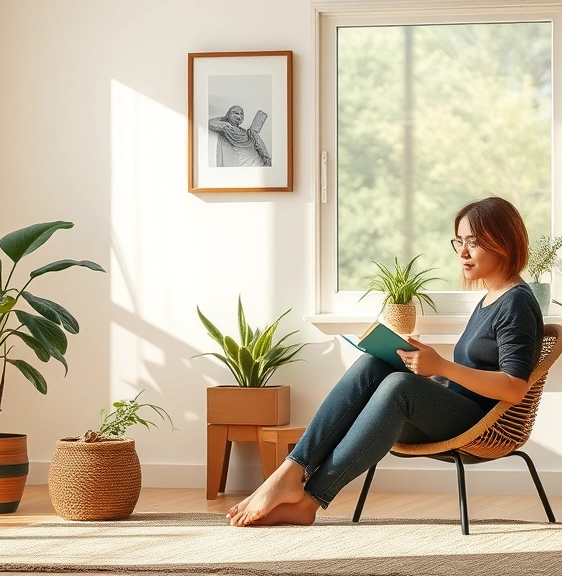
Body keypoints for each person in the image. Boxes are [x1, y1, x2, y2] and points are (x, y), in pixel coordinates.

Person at [227, 196, 544, 527]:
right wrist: (424, 364)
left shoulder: (516, 303)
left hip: (485, 424)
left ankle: (308, 501)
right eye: (459, 242)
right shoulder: (490, 299)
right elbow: (474, 373)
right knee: (374, 365)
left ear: (504, 243)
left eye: (473, 243)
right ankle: (291, 471)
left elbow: (514, 388)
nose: (463, 253)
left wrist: (441, 367)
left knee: (398, 387)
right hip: (456, 410)